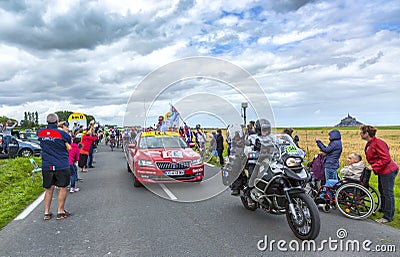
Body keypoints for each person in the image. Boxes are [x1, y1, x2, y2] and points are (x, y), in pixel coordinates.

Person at [360, 125, 398, 224]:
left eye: (361, 132)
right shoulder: (370, 143)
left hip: (388, 171)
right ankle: (383, 209)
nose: (360, 134)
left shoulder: (378, 143)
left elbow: (386, 159)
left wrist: (373, 166)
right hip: (382, 171)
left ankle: (388, 217)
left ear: (366, 133)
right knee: (382, 190)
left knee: (388, 193)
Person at [37, 113, 72, 220]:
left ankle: (47, 212)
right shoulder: (63, 134)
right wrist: (61, 128)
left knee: (49, 189)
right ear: (57, 122)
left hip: (47, 165)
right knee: (62, 187)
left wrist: (53, 126)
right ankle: (60, 211)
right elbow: (69, 141)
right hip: (61, 164)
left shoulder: (40, 133)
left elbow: (46, 131)